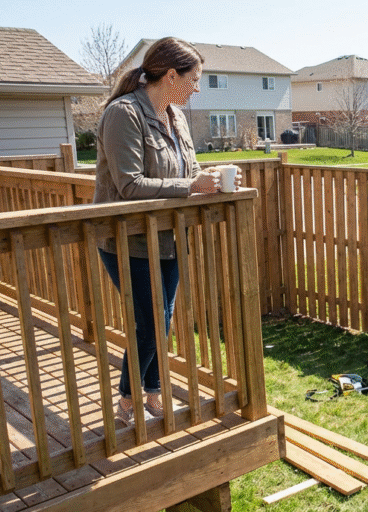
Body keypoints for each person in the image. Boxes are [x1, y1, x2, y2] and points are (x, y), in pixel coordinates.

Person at [94, 37, 238, 426]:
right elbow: (129, 185)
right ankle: (127, 400)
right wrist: (192, 187)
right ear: (171, 75)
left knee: (164, 317)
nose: (196, 88)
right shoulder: (124, 114)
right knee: (151, 319)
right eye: (194, 79)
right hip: (127, 240)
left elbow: (186, 172)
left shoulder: (176, 117)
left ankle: (154, 392)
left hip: (169, 238)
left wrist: (206, 178)